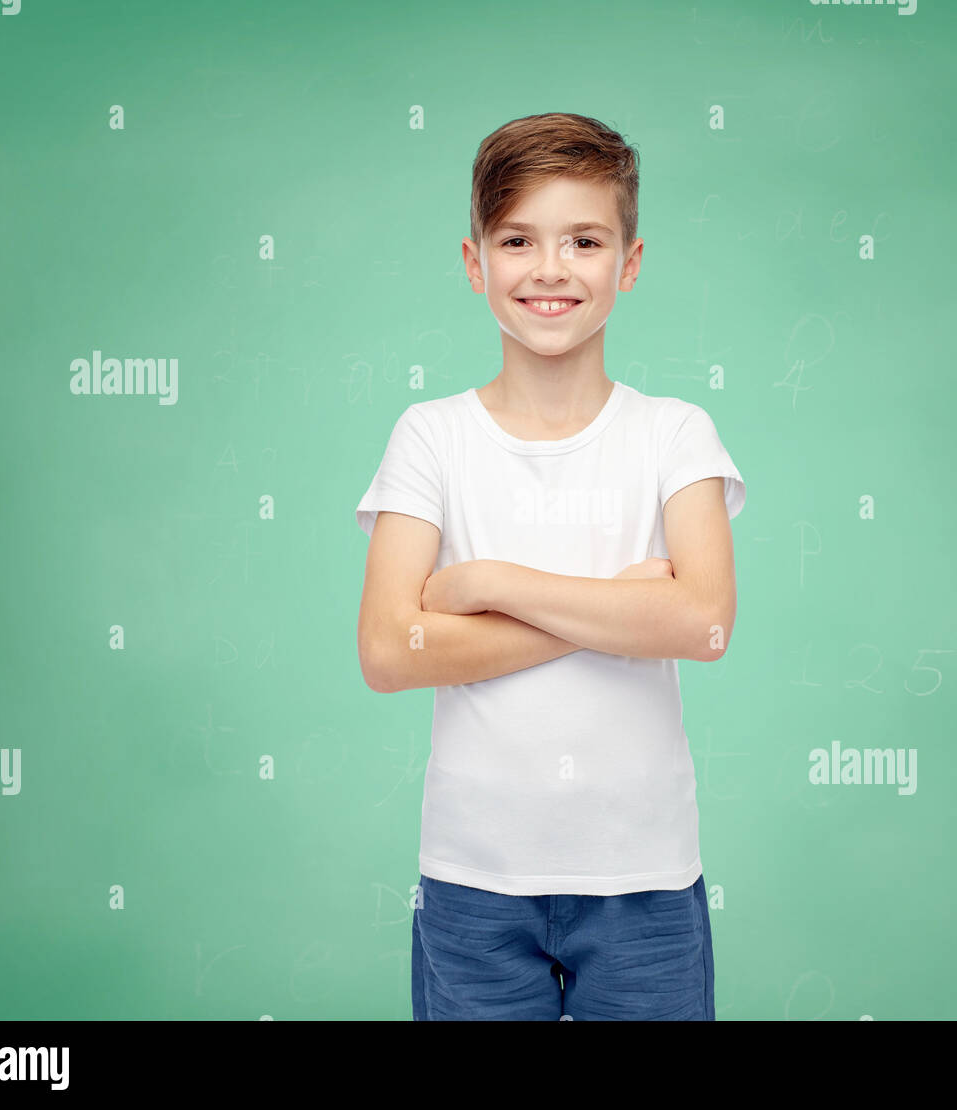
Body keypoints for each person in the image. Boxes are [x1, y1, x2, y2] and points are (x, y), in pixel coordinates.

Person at [355, 112, 746, 1020]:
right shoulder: (432, 437)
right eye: (518, 239)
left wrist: (488, 585)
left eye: (584, 240)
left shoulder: (673, 434)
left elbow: (704, 624)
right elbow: (388, 652)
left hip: (645, 880)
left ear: (631, 262)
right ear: (474, 260)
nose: (550, 268)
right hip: (472, 882)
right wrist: (619, 606)